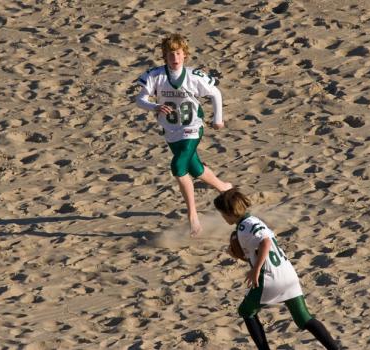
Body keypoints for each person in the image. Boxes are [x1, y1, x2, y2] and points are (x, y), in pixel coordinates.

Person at [214, 188, 340, 350]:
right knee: (304, 318)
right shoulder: (254, 220)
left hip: (270, 278)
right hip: (287, 273)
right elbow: (256, 251)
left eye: (223, 214)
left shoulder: (243, 228)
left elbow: (265, 242)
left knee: (246, 311)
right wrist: (238, 255)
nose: (223, 218)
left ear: (230, 212)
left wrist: (256, 269)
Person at [136, 33, 231, 235]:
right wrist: (154, 107)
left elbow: (215, 93)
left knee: (178, 166)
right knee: (194, 168)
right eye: (171, 54)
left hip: (193, 126)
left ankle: (193, 217)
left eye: (178, 53)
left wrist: (217, 119)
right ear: (165, 56)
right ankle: (224, 187)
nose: (175, 58)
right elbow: (140, 99)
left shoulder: (194, 76)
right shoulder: (156, 75)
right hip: (170, 130)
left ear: (184, 54)